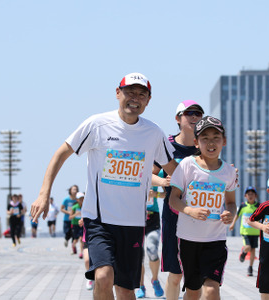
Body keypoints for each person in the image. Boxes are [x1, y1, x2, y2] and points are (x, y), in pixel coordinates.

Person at [30, 72, 178, 300]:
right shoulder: (97, 124)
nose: (135, 98)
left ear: (148, 100)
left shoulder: (153, 133)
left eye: (141, 94)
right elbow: (61, 153)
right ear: (117, 93)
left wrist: (212, 178)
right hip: (99, 220)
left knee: (126, 291)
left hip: (133, 222)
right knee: (103, 277)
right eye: (129, 92)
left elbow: (174, 171)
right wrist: (43, 194)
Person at [169, 116, 237, 300]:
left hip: (215, 240)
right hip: (188, 239)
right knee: (193, 291)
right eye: (204, 138)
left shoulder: (229, 172)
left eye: (216, 137)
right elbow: (173, 200)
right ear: (196, 142)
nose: (211, 142)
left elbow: (231, 202)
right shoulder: (187, 165)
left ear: (224, 141)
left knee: (211, 290)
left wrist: (230, 213)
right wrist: (190, 211)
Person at [157, 100, 204, 300]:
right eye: (189, 113)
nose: (194, 117)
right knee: (175, 275)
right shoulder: (167, 145)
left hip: (199, 218)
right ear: (178, 118)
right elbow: (147, 174)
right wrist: (163, 180)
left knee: (195, 276)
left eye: (198, 114)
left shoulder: (205, 146)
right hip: (173, 216)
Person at [135, 186, 165, 298]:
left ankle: (155, 280)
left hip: (152, 218)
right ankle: (141, 286)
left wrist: (155, 194)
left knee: (152, 250)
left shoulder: (157, 173)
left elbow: (167, 194)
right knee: (138, 255)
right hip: (136, 217)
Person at [229, 186, 260, 276]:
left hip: (255, 232)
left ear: (255, 196)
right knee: (247, 247)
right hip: (245, 232)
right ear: (245, 196)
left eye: (252, 194)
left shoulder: (258, 206)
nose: (250, 196)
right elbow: (237, 216)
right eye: (248, 194)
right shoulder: (243, 206)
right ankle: (243, 254)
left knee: (253, 250)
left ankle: (250, 267)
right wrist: (232, 224)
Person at [61, 185, 78, 249]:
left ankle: (73, 246)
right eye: (73, 189)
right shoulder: (66, 199)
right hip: (67, 219)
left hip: (75, 220)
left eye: (76, 189)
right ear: (70, 191)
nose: (75, 191)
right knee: (67, 232)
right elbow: (61, 209)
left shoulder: (77, 199)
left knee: (74, 233)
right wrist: (69, 212)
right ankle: (66, 239)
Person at [69, 191, 85, 257]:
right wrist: (76, 214)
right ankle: (74, 246)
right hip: (75, 224)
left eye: (83, 198)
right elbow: (70, 217)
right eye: (80, 198)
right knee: (76, 239)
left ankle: (81, 253)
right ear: (77, 199)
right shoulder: (74, 207)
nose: (82, 200)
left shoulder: (85, 206)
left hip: (82, 224)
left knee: (81, 239)